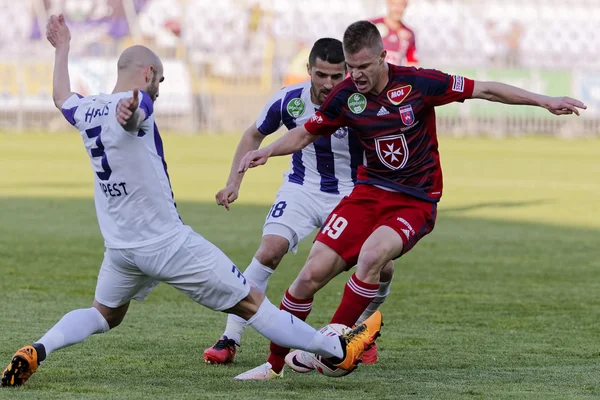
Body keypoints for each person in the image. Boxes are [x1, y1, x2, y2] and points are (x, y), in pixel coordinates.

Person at [0, 15, 383, 388]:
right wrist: (130, 114)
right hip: (168, 244)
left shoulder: (86, 110)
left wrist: (63, 48)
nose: (160, 90)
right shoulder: (138, 106)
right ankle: (337, 349)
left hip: (121, 248)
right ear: (148, 73)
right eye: (160, 80)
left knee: (104, 315)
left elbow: (61, 97)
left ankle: (38, 348)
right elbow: (137, 116)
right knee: (253, 304)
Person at [237, 20, 586, 374]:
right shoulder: (346, 96)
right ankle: (273, 366)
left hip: (415, 199)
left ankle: (331, 344)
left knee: (373, 257)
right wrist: (268, 151)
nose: (355, 75)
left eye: (363, 67)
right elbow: (305, 134)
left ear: (382, 58)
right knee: (309, 276)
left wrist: (545, 101)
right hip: (367, 194)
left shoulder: (419, 83)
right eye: (351, 67)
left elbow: (486, 90)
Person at [203, 38, 394, 378]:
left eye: (337, 76)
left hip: (353, 193)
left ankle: (362, 330)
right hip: (301, 188)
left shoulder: (362, 101)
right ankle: (229, 338)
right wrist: (234, 182)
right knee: (269, 251)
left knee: (384, 266)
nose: (328, 84)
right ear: (308, 70)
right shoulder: (288, 100)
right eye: (321, 74)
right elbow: (253, 135)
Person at [370, 0, 418, 66]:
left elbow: (412, 64)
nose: (397, 8)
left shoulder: (409, 34)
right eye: (394, 4)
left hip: (395, 75)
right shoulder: (371, 26)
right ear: (388, 3)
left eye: (401, 4)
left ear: (406, 5)